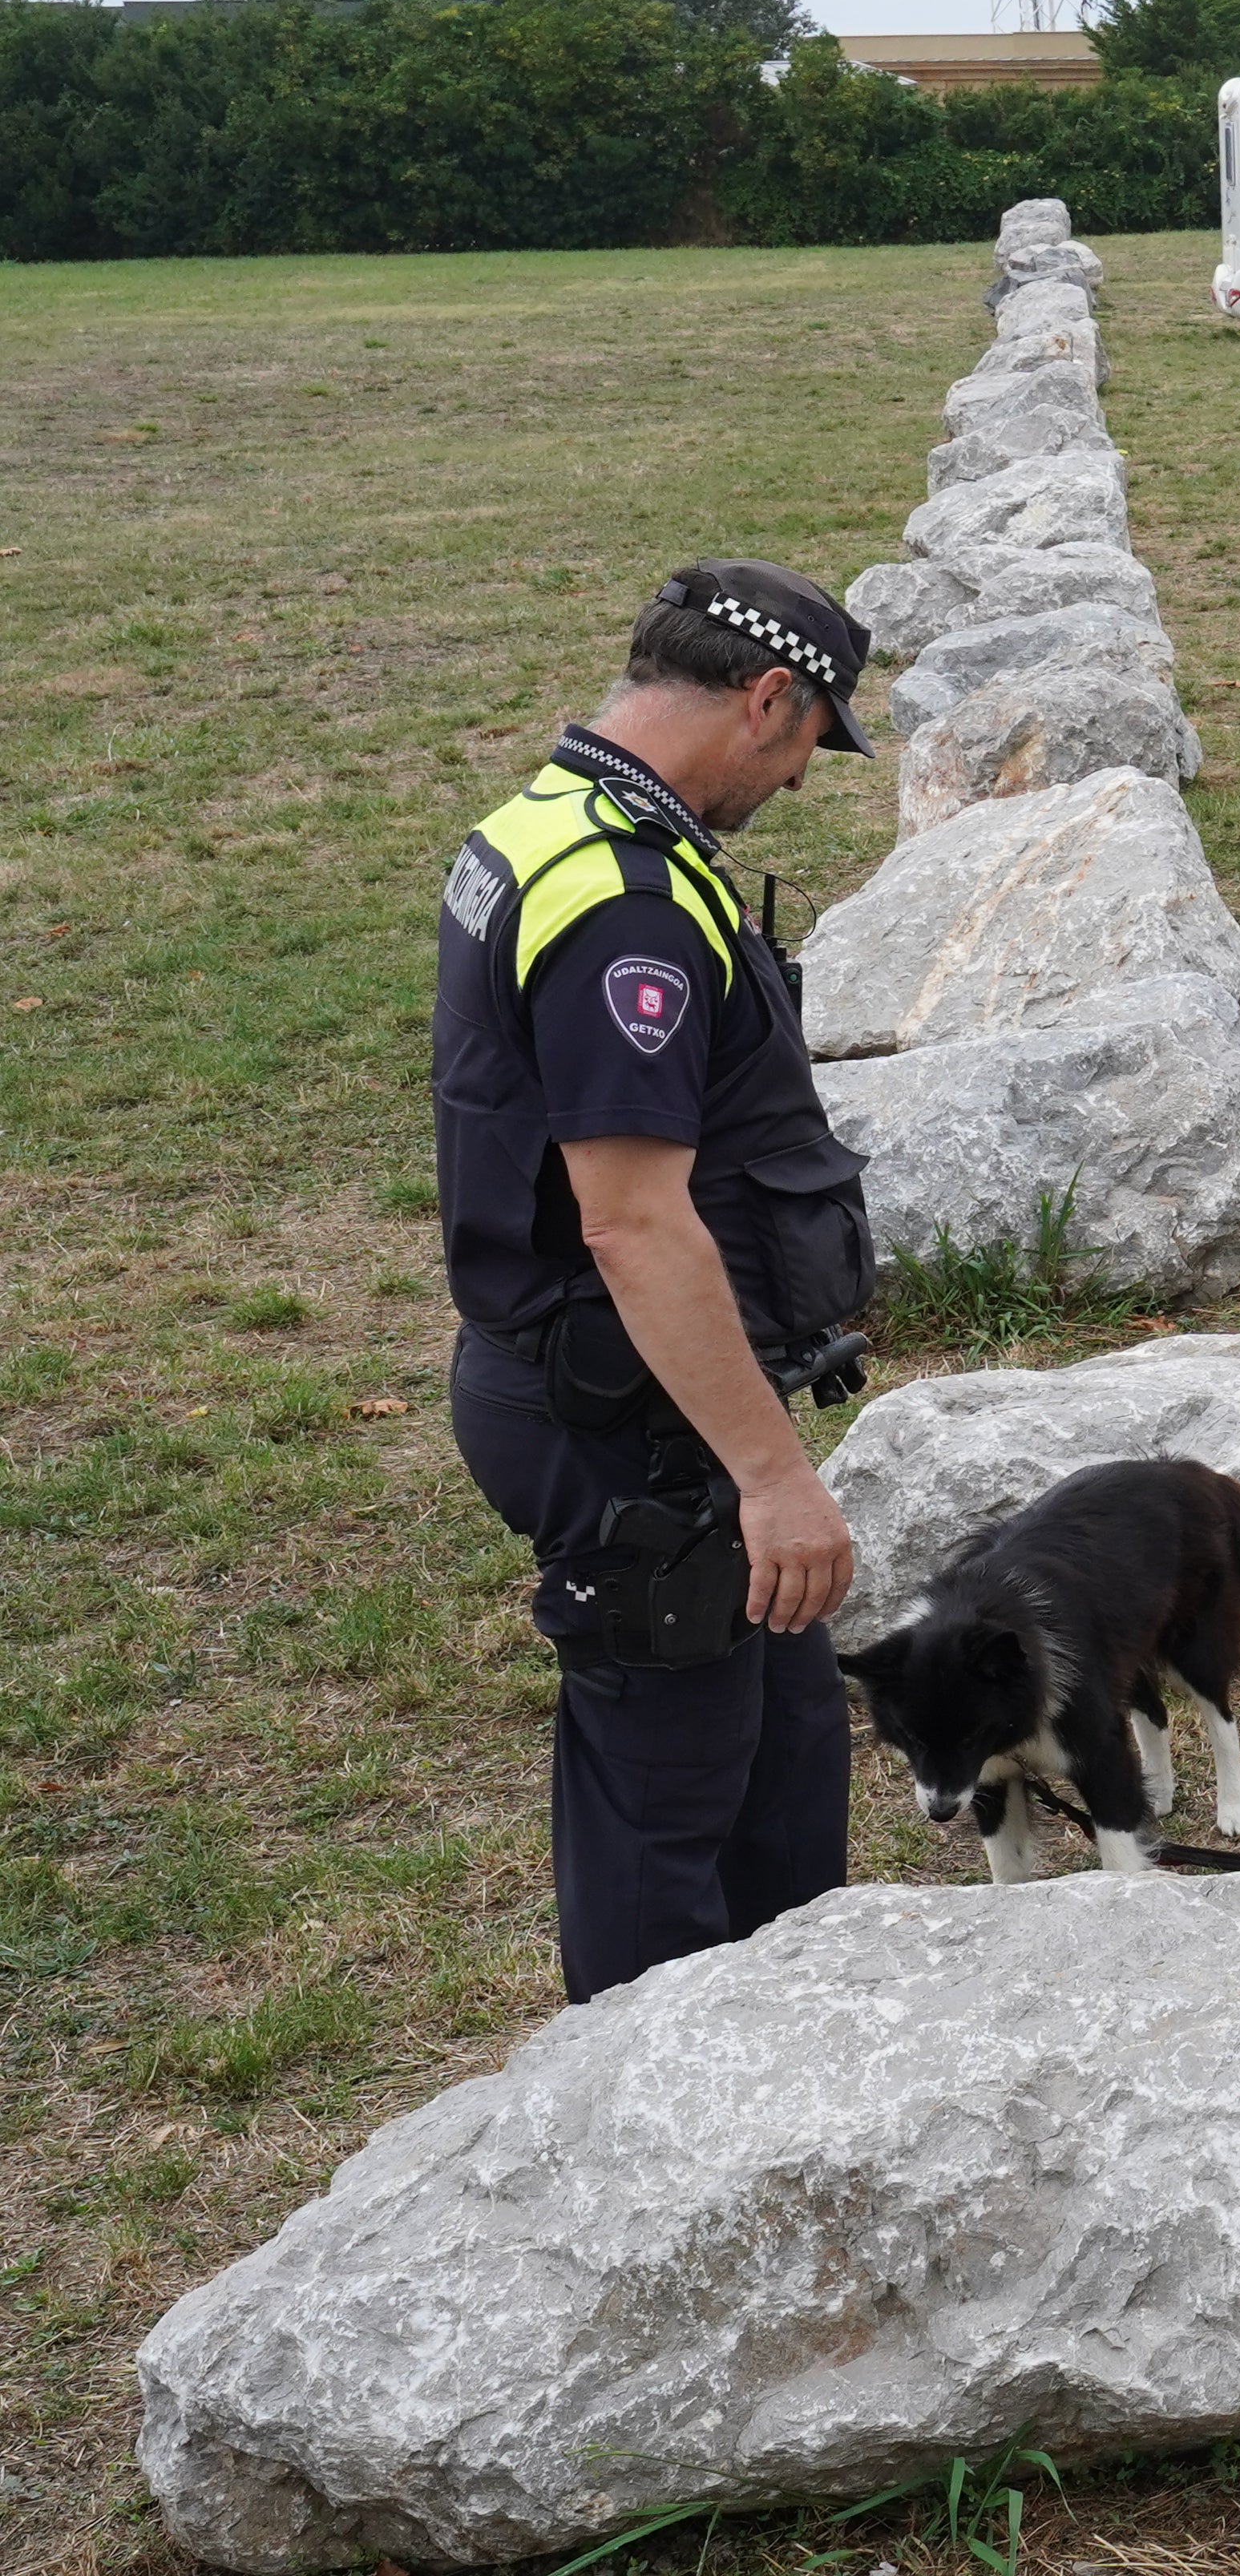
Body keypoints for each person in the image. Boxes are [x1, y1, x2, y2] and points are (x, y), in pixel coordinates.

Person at [434, 563, 881, 2003]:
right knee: (671, 1801)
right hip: (623, 1419)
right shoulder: (624, 902)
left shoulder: (558, 817)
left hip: (644, 1396)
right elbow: (632, 1222)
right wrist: (773, 1475)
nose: (806, 777)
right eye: (815, 736)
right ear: (767, 699)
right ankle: (655, 2135)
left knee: (787, 1746)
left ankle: (782, 2068)